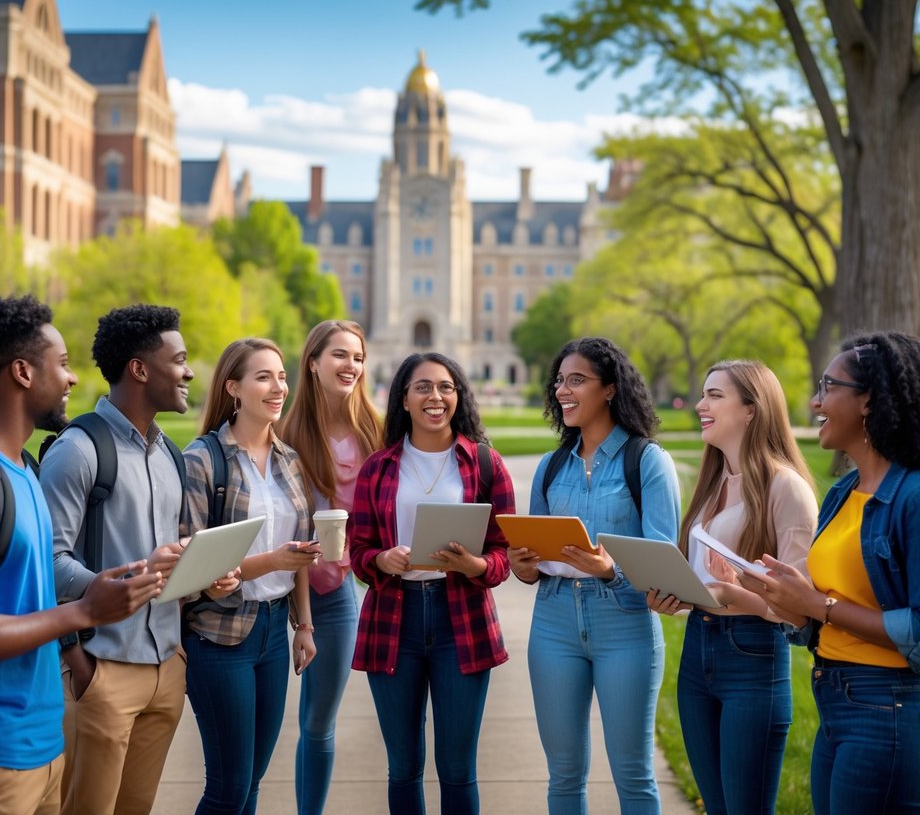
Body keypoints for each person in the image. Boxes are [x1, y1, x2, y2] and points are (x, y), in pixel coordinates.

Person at [0, 296, 164, 814]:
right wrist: (85, 612)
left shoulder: (22, 468)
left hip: (40, 750)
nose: (71, 379)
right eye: (61, 364)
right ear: (22, 372)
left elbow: (28, 597)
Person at [739, 332, 920, 815]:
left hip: (891, 709)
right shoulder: (844, 492)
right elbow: (829, 608)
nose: (816, 402)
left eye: (828, 387)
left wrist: (819, 605)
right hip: (838, 702)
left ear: (869, 401)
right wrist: (789, 600)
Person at [508, 337, 680, 815]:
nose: (563, 390)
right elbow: (535, 562)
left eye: (577, 380)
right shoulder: (550, 467)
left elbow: (663, 562)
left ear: (609, 389)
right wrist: (524, 567)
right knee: (563, 774)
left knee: (633, 774)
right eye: (560, 381)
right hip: (554, 624)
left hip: (625, 625)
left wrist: (611, 571)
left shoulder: (648, 461)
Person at [40, 305, 194, 815]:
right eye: (180, 360)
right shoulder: (78, 450)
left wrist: (198, 570)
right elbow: (46, 563)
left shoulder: (171, 455)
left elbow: (165, 562)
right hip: (100, 670)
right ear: (140, 369)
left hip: (166, 669)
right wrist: (79, 663)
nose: (189, 372)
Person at [647, 360, 818, 815]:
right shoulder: (713, 482)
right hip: (697, 652)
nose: (700, 405)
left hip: (753, 657)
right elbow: (704, 577)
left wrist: (734, 594)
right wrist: (675, 594)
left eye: (715, 396)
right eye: (703, 394)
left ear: (751, 409)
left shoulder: (787, 488)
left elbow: (801, 610)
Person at [349, 352, 515, 815]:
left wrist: (475, 565)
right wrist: (381, 559)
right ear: (403, 399)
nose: (435, 397)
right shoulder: (377, 468)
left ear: (458, 396)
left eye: (445, 387)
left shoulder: (485, 464)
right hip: (393, 621)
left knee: (458, 768)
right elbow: (358, 552)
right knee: (403, 766)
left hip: (460, 620)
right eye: (422, 387)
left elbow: (505, 554)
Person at [181, 338, 321, 815]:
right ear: (233, 388)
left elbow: (300, 551)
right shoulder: (202, 460)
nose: (279, 387)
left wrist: (304, 625)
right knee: (228, 788)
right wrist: (270, 562)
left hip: (274, 633)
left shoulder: (290, 460)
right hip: (220, 635)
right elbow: (193, 564)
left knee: (252, 783)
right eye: (264, 377)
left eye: (281, 376)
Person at [278, 320, 384, 815]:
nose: (351, 365)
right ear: (313, 363)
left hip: (334, 587)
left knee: (319, 722)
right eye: (339, 355)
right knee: (260, 727)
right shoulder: (284, 432)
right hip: (274, 584)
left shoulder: (375, 432)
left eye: (358, 357)